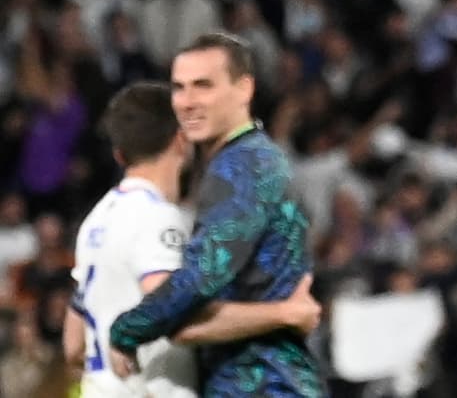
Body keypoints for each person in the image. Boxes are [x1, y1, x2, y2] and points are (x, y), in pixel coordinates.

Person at [63, 81, 321, 397]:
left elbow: (73, 345)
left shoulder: (95, 220)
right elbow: (178, 322)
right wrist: (285, 313)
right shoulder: (156, 218)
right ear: (181, 141)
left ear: (119, 154)